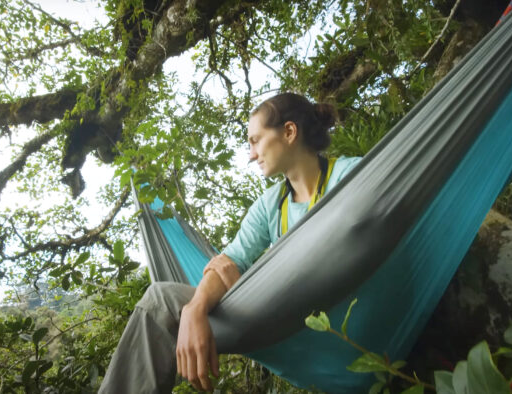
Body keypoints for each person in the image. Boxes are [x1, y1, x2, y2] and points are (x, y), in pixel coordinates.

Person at [99, 93, 361, 393]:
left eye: (255, 140)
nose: (251, 155)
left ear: (289, 132)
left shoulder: (352, 175)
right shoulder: (271, 204)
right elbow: (231, 260)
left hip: (346, 320)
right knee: (160, 301)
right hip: (285, 325)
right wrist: (194, 308)